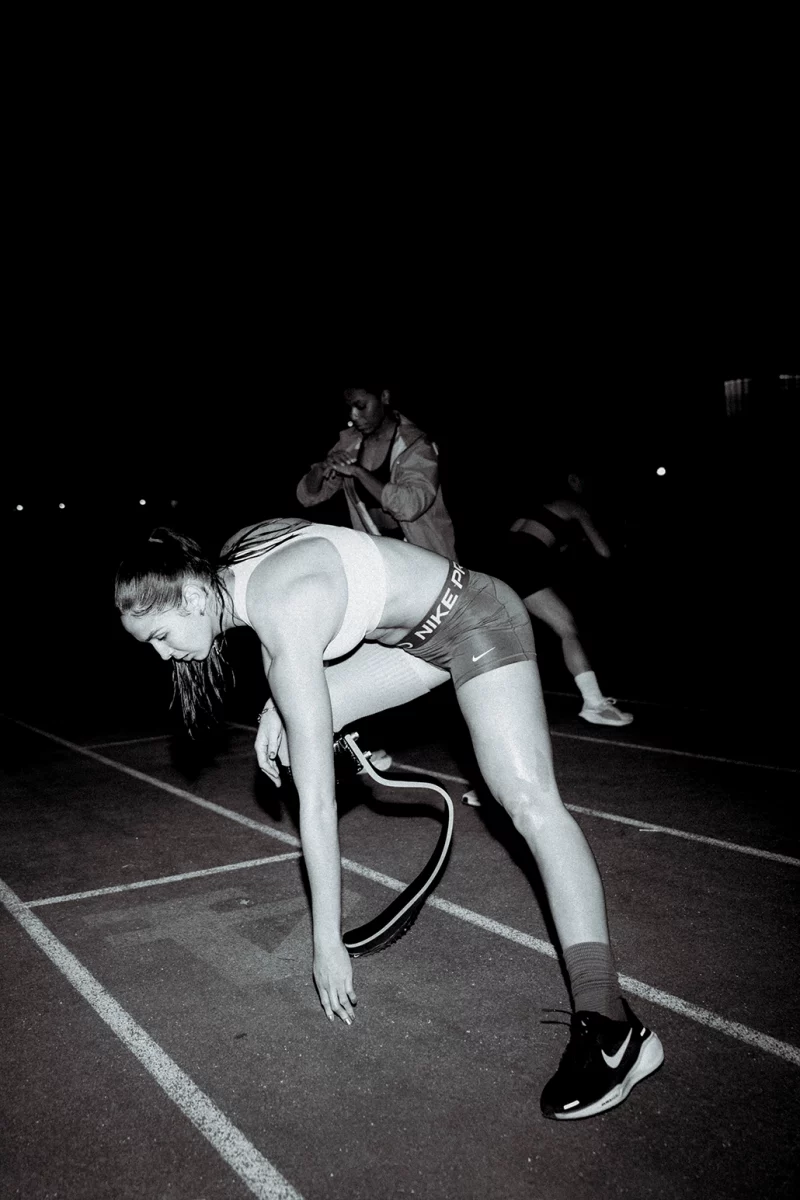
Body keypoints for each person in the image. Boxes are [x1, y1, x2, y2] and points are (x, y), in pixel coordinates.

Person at [115, 517, 663, 1120]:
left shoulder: (284, 612)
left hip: (476, 617)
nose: (166, 656)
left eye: (161, 637)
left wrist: (326, 943)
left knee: (529, 803)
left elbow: (316, 809)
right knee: (297, 737)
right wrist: (286, 700)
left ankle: (612, 1028)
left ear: (193, 595)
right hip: (411, 644)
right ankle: (349, 750)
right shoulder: (235, 561)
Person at [296, 387, 458, 769]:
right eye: (349, 406)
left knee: (450, 664)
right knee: (366, 648)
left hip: (428, 565)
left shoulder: (417, 445)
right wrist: (320, 472)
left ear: (384, 397)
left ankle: (485, 769)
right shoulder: (350, 442)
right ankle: (369, 745)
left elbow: (410, 504)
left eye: (362, 405)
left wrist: (359, 473)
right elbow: (309, 497)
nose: (355, 415)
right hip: (382, 567)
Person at [486, 471, 633, 728]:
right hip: (523, 562)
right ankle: (594, 703)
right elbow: (604, 551)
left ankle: (490, 699)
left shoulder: (534, 510)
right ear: (573, 481)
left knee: (504, 635)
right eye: (585, 480)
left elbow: (519, 541)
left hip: (499, 564)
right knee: (567, 628)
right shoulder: (574, 506)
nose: (588, 486)